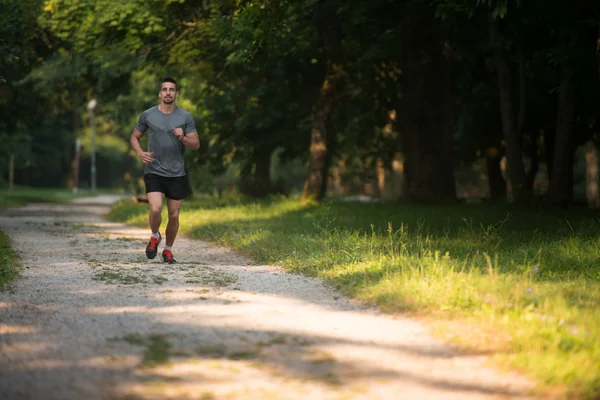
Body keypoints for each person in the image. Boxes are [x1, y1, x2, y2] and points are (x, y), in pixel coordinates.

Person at [130, 77, 200, 264]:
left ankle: (167, 250)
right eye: (164, 89)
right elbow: (134, 137)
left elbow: (195, 144)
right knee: (155, 208)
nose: (168, 92)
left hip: (177, 172)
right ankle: (154, 236)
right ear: (160, 93)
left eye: (172, 89)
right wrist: (139, 152)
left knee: (174, 215)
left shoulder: (185, 117)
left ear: (176, 94)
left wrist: (183, 137)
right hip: (153, 169)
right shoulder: (148, 115)